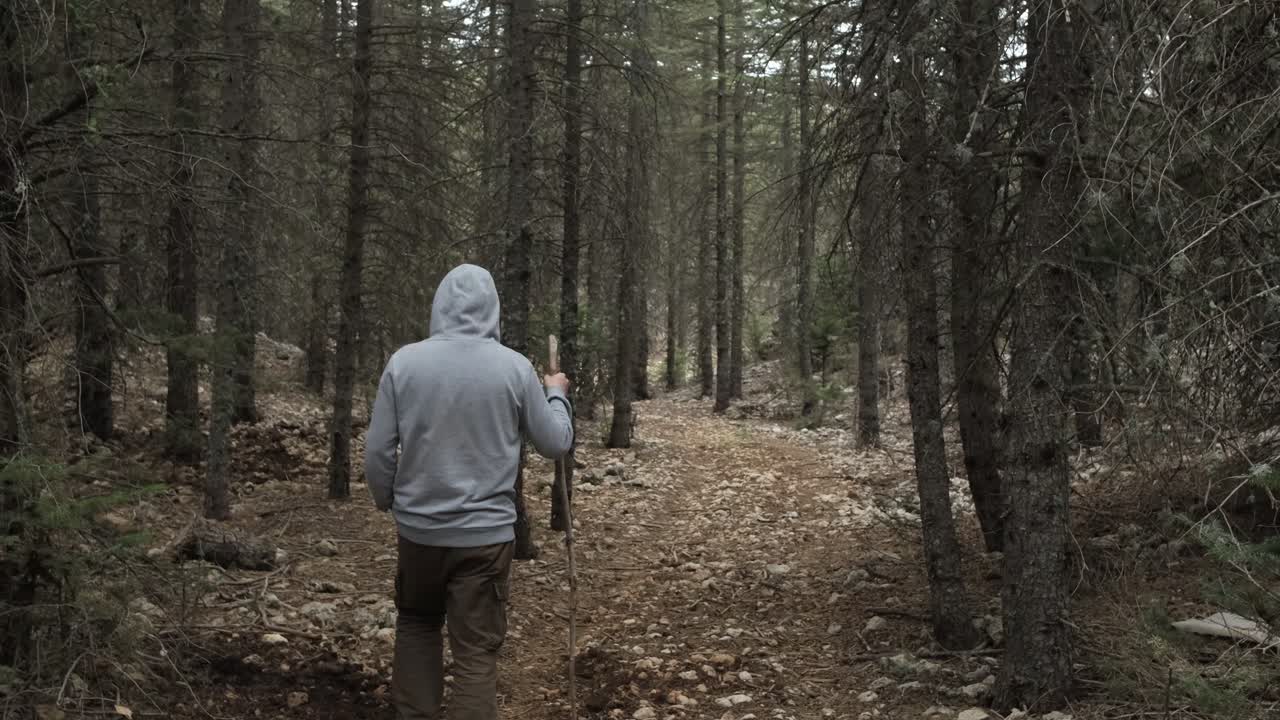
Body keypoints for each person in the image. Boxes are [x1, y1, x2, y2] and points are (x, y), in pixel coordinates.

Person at [364, 264, 574, 720]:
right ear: (493, 309)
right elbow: (555, 442)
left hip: (419, 534)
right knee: (476, 652)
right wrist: (555, 393)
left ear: (439, 306)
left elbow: (378, 450)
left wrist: (388, 500)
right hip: (485, 538)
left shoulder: (404, 363)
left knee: (418, 626)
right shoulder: (514, 369)